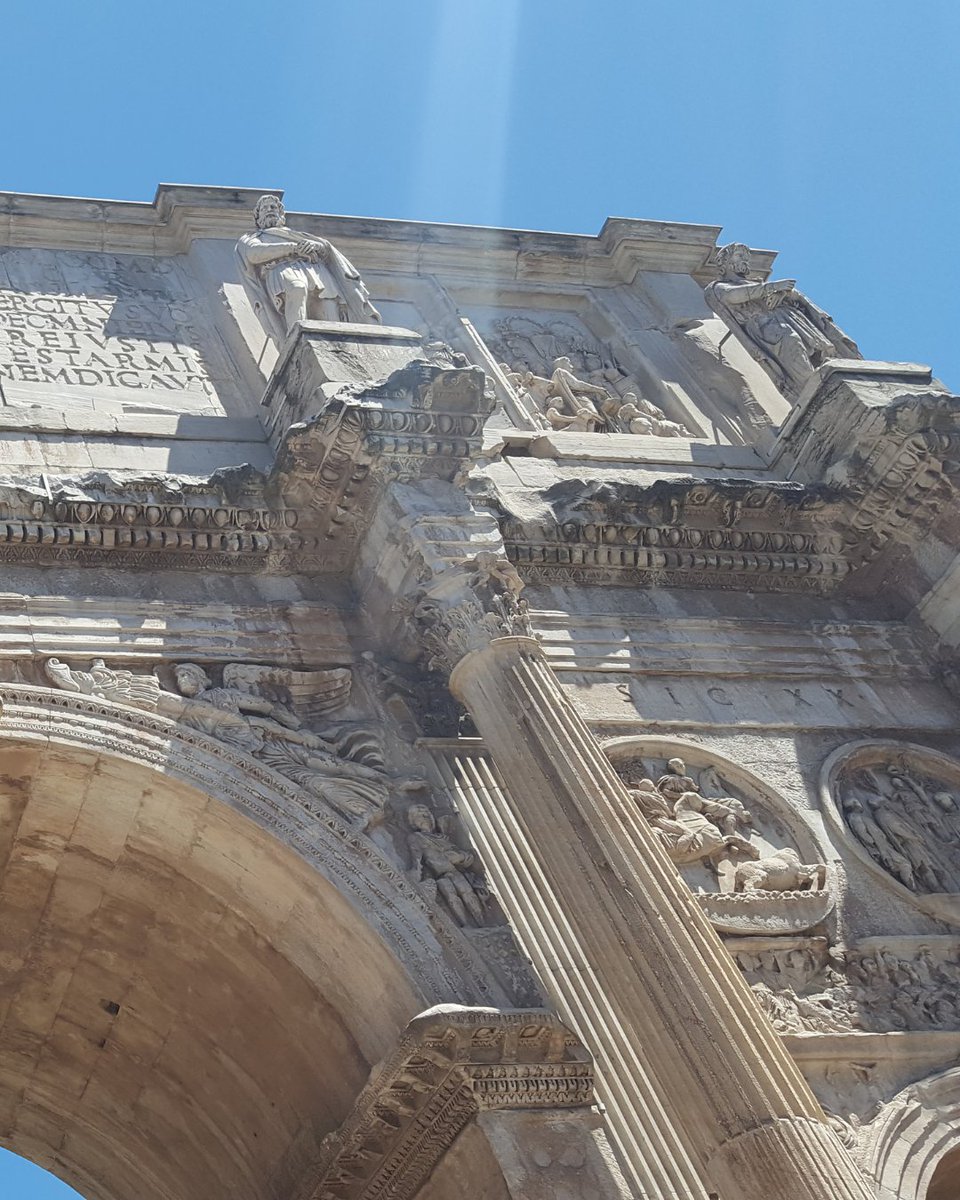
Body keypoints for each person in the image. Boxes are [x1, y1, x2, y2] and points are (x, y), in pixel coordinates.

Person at [705, 242, 860, 396]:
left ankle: (826, 377)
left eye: (746, 257)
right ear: (724, 262)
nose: (744, 260)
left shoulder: (755, 282)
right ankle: (812, 387)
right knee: (791, 343)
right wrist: (773, 287)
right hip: (763, 325)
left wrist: (783, 293)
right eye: (739, 255)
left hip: (788, 318)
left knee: (817, 347)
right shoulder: (718, 287)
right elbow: (733, 295)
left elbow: (792, 294)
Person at [236, 194, 381, 341]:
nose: (269, 210)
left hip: (314, 270)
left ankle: (338, 348)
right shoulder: (253, 238)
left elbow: (325, 248)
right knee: (296, 288)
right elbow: (254, 254)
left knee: (329, 308)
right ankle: (296, 340)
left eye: (273, 207)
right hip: (282, 269)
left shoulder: (296, 234)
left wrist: (316, 245)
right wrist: (293, 248)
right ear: (257, 216)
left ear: (281, 213)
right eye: (264, 208)